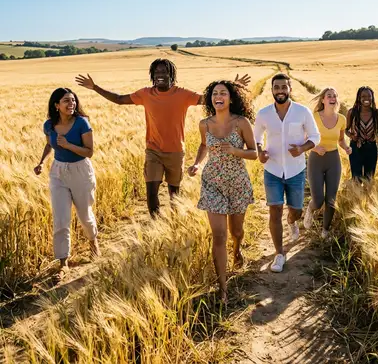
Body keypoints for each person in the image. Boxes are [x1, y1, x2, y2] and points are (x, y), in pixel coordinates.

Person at [75, 59, 250, 216]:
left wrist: (233, 86)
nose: (160, 75)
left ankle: (174, 223)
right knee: (151, 191)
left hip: (175, 152)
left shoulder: (183, 94)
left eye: (164, 72)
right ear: (152, 75)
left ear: (171, 75)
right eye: (157, 72)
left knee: (174, 193)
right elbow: (120, 99)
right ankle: (154, 223)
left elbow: (210, 99)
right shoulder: (145, 94)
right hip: (153, 151)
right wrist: (95, 87)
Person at [187, 80, 256, 302]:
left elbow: (254, 153)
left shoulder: (242, 123)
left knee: (236, 232)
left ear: (231, 98)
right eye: (215, 93)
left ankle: (237, 250)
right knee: (219, 235)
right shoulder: (204, 124)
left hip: (237, 183)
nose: (218, 96)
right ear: (211, 99)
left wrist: (235, 150)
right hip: (212, 183)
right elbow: (204, 145)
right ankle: (223, 289)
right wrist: (197, 163)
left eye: (223, 93)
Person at [254, 73, 320, 273]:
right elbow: (256, 137)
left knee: (296, 210)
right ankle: (279, 253)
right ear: (272, 89)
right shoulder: (264, 113)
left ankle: (292, 222)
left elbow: (315, 136)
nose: (280, 91)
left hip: (295, 170)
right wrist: (260, 152)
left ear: (290, 89)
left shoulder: (302, 112)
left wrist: (302, 149)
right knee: (275, 210)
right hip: (272, 170)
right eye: (277, 87)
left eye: (284, 87)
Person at [34, 88, 100, 281]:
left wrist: (68, 145)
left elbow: (89, 152)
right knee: (61, 219)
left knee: (85, 215)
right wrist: (41, 162)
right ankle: (63, 263)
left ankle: (93, 242)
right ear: (56, 105)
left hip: (80, 171)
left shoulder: (82, 123)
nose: (71, 104)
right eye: (66, 101)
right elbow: (49, 144)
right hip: (58, 172)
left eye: (73, 101)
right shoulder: (49, 125)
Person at [303, 87, 352, 238]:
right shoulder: (314, 117)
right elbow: (304, 139)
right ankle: (310, 210)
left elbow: (341, 140)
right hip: (316, 159)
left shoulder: (342, 119)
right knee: (318, 200)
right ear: (323, 100)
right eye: (329, 95)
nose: (332, 98)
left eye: (335, 96)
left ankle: (325, 231)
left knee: (331, 199)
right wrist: (316, 148)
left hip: (333, 160)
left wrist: (346, 148)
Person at [346, 86, 378, 182]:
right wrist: (352, 136)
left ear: (372, 97)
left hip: (371, 148)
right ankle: (356, 196)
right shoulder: (352, 112)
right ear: (359, 98)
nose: (366, 99)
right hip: (355, 148)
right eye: (363, 96)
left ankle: (366, 197)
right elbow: (346, 130)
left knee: (369, 179)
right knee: (356, 178)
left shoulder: (377, 113)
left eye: (369, 96)